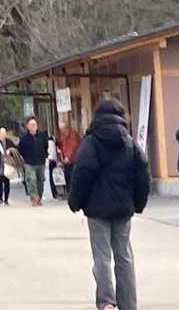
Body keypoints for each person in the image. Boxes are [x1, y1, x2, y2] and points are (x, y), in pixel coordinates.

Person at [68, 99, 150, 310]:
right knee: (124, 256)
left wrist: (75, 201)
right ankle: (128, 303)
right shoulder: (129, 142)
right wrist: (138, 203)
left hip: (97, 210)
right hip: (123, 209)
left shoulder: (92, 141)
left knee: (102, 256)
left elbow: (82, 172)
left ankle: (106, 301)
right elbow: (143, 172)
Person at [18, 117, 50, 205]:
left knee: (40, 180)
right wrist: (25, 157)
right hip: (29, 162)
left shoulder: (41, 135)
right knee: (31, 180)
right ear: (28, 126)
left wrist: (44, 155)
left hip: (40, 161)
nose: (33, 126)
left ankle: (39, 197)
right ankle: (34, 198)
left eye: (35, 124)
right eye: (31, 125)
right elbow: (20, 149)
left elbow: (45, 146)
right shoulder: (24, 138)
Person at [55, 120, 82, 200]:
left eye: (62, 129)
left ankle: (74, 195)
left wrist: (68, 157)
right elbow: (62, 147)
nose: (61, 131)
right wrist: (61, 157)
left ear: (67, 128)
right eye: (60, 129)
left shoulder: (72, 135)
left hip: (74, 160)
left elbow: (72, 147)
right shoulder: (63, 136)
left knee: (73, 177)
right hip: (67, 161)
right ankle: (70, 194)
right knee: (67, 177)